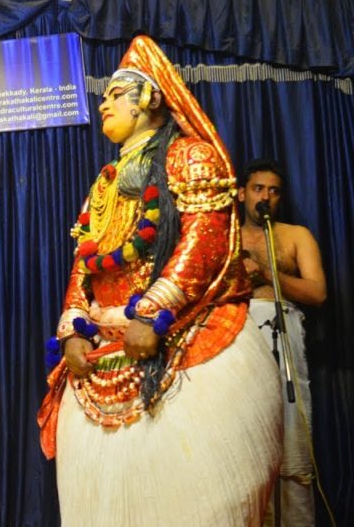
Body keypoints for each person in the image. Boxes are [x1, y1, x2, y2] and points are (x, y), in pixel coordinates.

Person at [37, 36, 282, 525]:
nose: (103, 102)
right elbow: (85, 263)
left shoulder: (191, 158)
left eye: (115, 93)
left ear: (149, 98)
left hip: (182, 340)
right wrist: (73, 330)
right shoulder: (106, 181)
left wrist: (151, 316)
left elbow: (204, 243)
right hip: (105, 352)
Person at [239, 159, 326, 526]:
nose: (266, 197)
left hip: (285, 335)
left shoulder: (296, 236)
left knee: (292, 443)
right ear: (242, 193)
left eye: (273, 191)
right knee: (244, 442)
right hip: (236, 341)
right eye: (258, 189)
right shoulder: (224, 235)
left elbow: (317, 292)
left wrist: (267, 274)